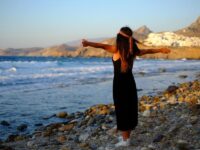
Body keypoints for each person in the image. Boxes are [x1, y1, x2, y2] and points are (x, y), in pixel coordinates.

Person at [82, 26, 170, 147]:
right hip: (130, 82)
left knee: (122, 109)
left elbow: (101, 45)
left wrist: (87, 43)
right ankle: (126, 138)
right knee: (129, 108)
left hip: (119, 84)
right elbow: (148, 51)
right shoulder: (133, 51)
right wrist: (160, 50)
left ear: (119, 38)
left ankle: (125, 141)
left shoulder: (116, 50)